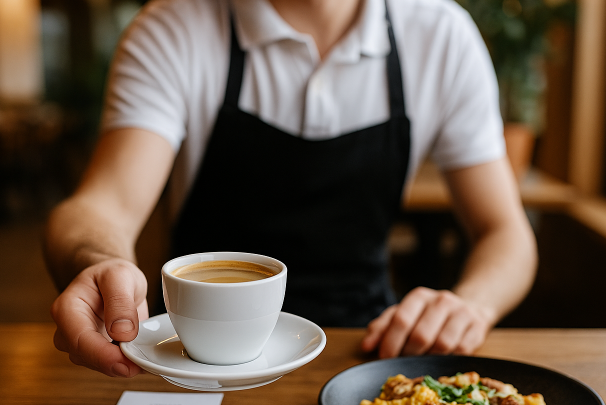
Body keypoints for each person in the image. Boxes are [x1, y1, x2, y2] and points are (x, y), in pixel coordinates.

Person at [44, 0, 537, 378]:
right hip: (195, 363)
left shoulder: (440, 36)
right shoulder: (175, 26)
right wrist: (97, 261)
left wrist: (473, 303)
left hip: (365, 355)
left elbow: (506, 233)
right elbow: (100, 206)